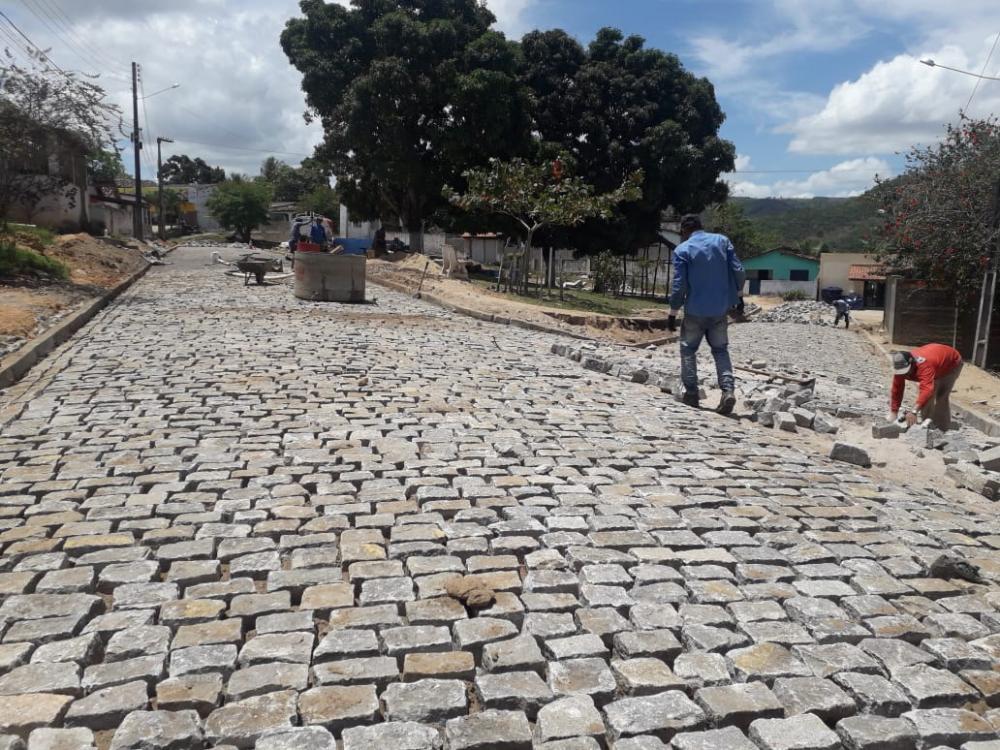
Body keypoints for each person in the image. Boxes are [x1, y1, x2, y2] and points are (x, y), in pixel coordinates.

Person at [667, 214, 746, 414]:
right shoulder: (722, 241)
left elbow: (679, 286)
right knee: (720, 351)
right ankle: (728, 391)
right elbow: (739, 271)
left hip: (694, 310)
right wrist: (738, 295)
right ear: (701, 227)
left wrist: (673, 312)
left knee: (688, 350)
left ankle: (692, 394)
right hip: (720, 309)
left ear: (685, 231)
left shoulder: (682, 249)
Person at [889, 343, 963, 430]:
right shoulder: (900, 366)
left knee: (941, 396)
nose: (904, 374)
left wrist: (914, 411)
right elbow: (897, 388)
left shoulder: (924, 365)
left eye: (905, 371)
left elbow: (927, 390)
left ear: (911, 362)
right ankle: (927, 424)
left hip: (951, 364)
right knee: (927, 397)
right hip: (936, 361)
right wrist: (894, 411)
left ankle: (942, 428)